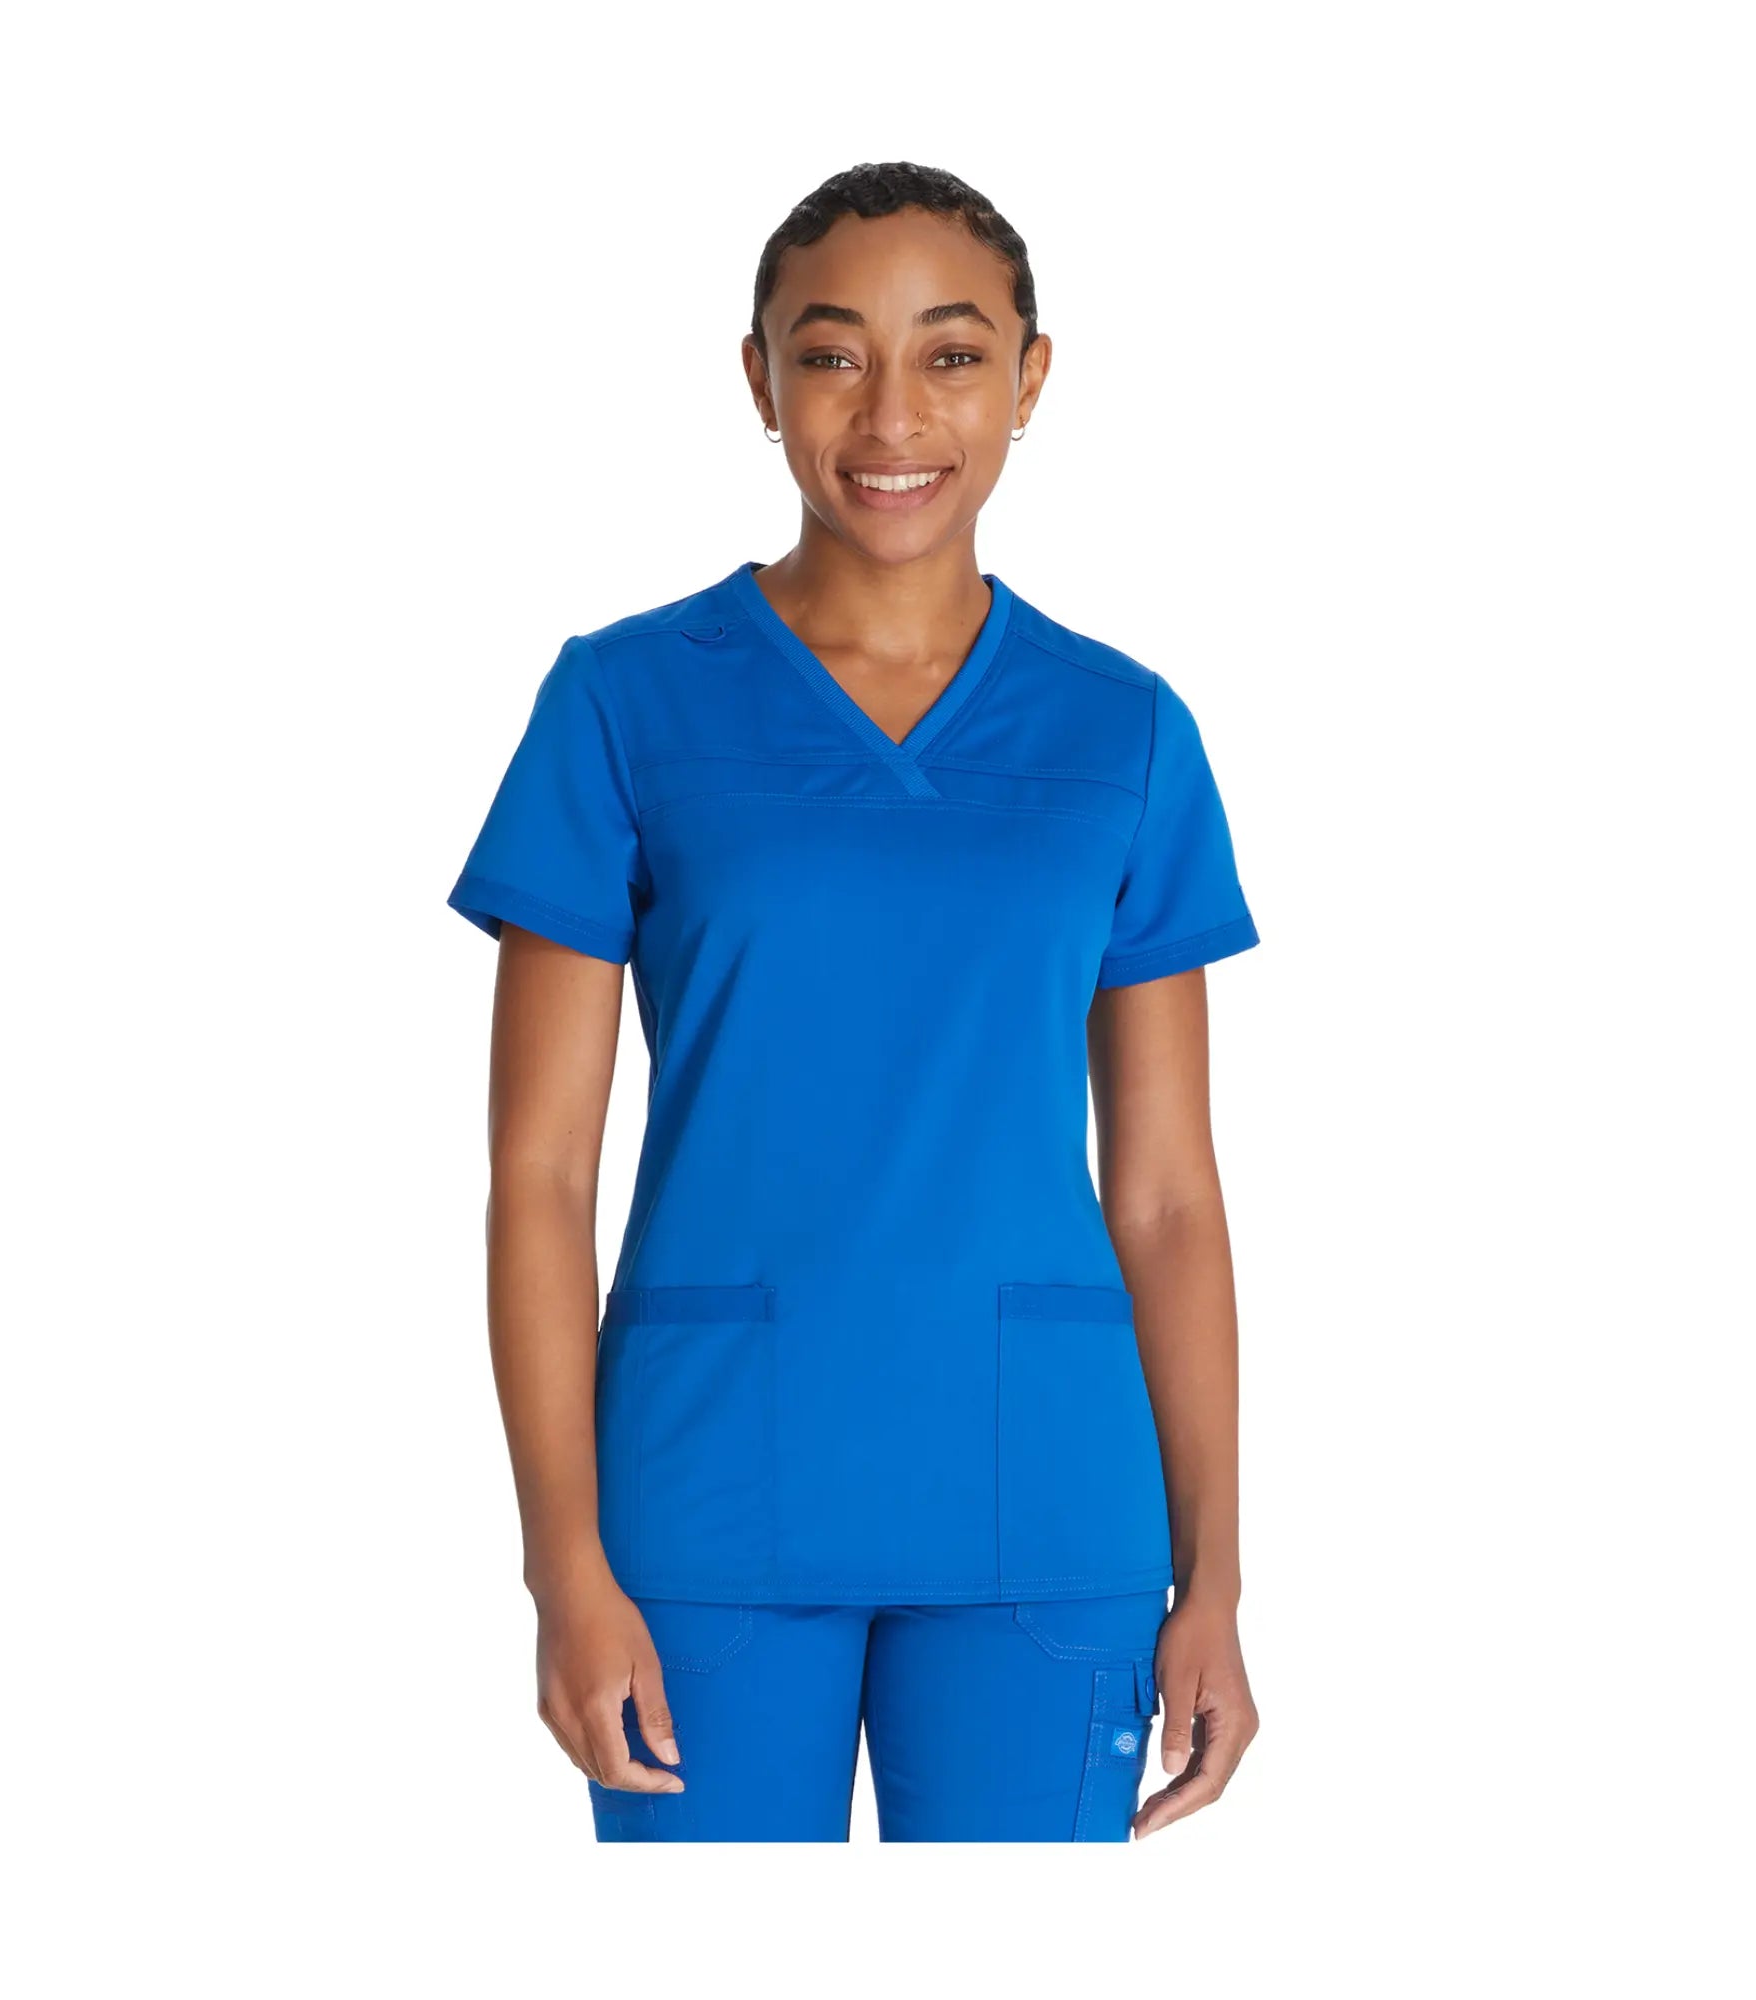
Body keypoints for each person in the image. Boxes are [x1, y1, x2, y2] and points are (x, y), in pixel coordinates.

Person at [446, 161, 1262, 1842]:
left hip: (1047, 1507)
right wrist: (563, 1566)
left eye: (952, 355)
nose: (892, 415)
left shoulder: (1125, 731)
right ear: (760, 378)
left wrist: (1219, 1577)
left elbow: (1170, 1196)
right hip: (702, 1504)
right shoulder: (622, 703)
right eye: (831, 355)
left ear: (1032, 377)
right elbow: (538, 1175)